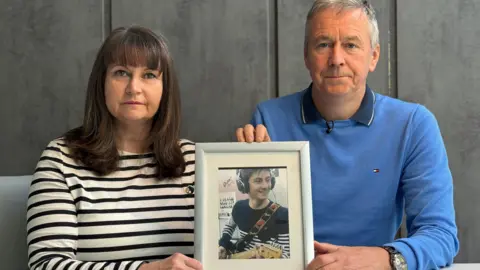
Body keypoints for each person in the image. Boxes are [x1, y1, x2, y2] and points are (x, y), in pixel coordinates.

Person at [236, 0, 459, 269]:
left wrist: (383, 257)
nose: (336, 59)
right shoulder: (268, 119)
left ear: (374, 56)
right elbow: (254, 228)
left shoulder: (413, 124)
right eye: (323, 44)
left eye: (351, 45)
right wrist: (237, 164)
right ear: (306, 56)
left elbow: (441, 235)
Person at [26, 26, 202, 270]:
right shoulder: (61, 159)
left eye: (149, 75)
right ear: (102, 83)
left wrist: (258, 161)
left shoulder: (196, 161)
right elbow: (46, 264)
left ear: (166, 88)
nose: (134, 88)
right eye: (121, 73)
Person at [218, 168, 289, 259]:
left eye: (268, 180)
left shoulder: (283, 214)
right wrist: (223, 245)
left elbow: (287, 255)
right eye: (258, 181)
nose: (265, 186)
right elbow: (229, 227)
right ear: (244, 185)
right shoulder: (238, 207)